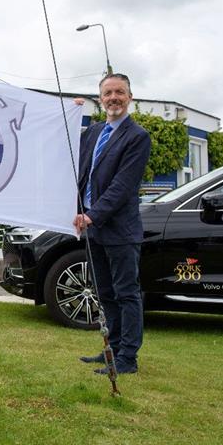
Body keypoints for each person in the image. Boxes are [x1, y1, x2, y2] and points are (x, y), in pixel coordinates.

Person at [72, 73, 151, 375]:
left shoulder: (137, 137)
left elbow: (122, 186)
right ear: (101, 99)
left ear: (130, 97)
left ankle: (128, 358)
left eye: (119, 92)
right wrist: (70, 113)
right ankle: (112, 349)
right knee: (105, 293)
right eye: (108, 93)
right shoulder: (92, 132)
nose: (113, 98)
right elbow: (76, 167)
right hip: (94, 229)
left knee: (126, 293)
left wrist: (92, 214)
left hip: (119, 229)